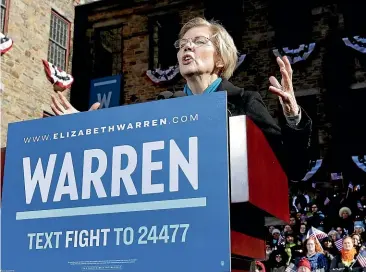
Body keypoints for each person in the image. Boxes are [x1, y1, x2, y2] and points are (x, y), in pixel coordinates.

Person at [50, 17, 312, 181]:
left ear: (220, 58)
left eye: (199, 41)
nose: (187, 47)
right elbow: (126, 145)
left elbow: (293, 167)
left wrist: (292, 113)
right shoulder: (164, 104)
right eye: (182, 44)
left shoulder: (245, 102)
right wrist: (85, 127)